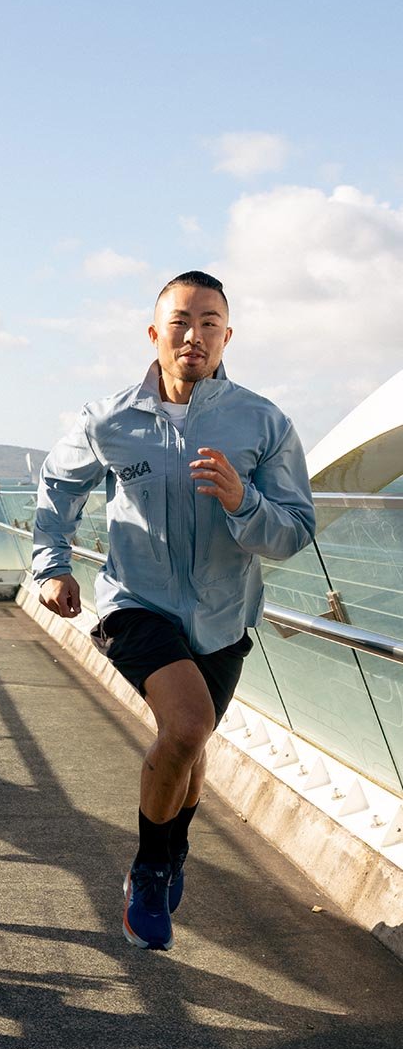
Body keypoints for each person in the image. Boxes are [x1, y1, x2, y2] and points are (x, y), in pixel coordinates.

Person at [32, 271, 315, 951]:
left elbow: (295, 529)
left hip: (224, 616)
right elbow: (58, 485)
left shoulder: (262, 422)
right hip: (136, 605)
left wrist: (243, 500)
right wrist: (52, 565)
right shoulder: (110, 419)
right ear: (154, 332)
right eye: (180, 321)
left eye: (209, 322)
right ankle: (151, 867)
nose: (194, 335)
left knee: (190, 741)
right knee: (188, 725)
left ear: (227, 335)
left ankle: (175, 848)